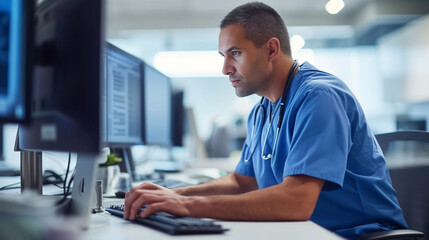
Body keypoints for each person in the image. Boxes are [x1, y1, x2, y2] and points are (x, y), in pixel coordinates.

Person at [124, 2, 407, 239]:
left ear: (271, 50)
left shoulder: (319, 96)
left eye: (235, 53)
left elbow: (297, 202)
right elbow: (241, 182)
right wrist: (174, 195)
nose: (225, 69)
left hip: (361, 234)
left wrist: (188, 206)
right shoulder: (262, 110)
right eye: (223, 56)